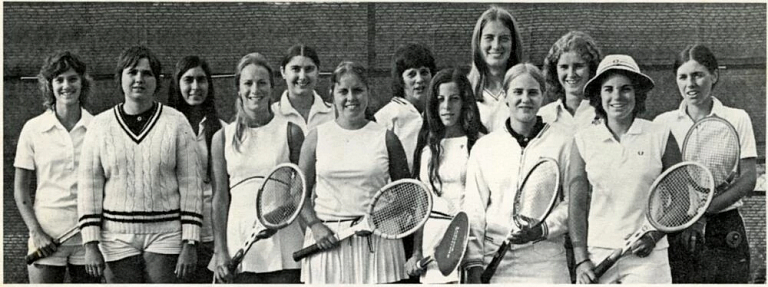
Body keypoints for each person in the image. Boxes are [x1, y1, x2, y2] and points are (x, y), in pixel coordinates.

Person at [77, 46, 202, 283]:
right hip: (115, 237)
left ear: (156, 81)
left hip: (165, 235)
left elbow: (191, 186)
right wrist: (90, 243)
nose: (139, 79)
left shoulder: (176, 123)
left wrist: (190, 241)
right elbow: (88, 188)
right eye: (132, 72)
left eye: (147, 74)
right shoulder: (100, 126)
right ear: (120, 78)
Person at [569, 55, 682, 284]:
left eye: (625, 89)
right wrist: (581, 260)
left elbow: (682, 201)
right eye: (608, 89)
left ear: (637, 93)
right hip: (598, 253)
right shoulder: (583, 140)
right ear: (599, 96)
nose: (617, 97)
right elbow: (577, 205)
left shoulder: (661, 135)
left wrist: (654, 234)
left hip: (650, 257)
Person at [297, 61, 411, 284]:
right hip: (326, 241)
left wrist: (380, 219)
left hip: (378, 242)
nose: (351, 98)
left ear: (368, 93)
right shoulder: (316, 137)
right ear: (332, 94)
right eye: (343, 91)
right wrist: (315, 226)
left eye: (358, 90)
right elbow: (299, 193)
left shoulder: (386, 138)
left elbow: (407, 195)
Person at [654, 44, 757, 283]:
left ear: (714, 75)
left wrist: (704, 213)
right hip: (677, 229)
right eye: (683, 77)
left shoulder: (737, 118)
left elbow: (748, 179)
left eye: (698, 75)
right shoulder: (662, 123)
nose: (690, 84)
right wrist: (685, 221)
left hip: (725, 228)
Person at [462, 63, 572, 283]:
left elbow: (573, 202)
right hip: (495, 261)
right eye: (518, 92)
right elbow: (474, 209)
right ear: (506, 97)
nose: (525, 99)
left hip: (547, 262)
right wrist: (474, 262)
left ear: (543, 96)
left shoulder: (564, 142)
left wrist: (542, 229)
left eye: (533, 92)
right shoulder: (485, 147)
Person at [210, 52, 305, 283]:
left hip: (284, 245)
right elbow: (220, 198)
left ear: (272, 87)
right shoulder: (222, 138)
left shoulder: (291, 132)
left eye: (262, 83)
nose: (255, 90)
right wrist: (221, 251)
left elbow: (301, 192)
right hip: (239, 245)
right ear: (239, 89)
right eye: (248, 83)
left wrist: (279, 218)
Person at [13, 51, 100, 283]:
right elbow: (20, 190)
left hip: (88, 242)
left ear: (83, 82)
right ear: (49, 85)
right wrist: (37, 233)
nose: (66, 86)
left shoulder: (98, 128)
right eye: (59, 80)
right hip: (46, 240)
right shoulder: (33, 129)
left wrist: (93, 238)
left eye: (72, 79)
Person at [404, 68, 486, 283]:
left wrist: (474, 256)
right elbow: (423, 204)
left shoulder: (481, 144)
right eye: (440, 99)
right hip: (433, 248)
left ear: (465, 102)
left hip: (469, 244)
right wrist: (416, 253)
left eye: (454, 99)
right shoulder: (427, 149)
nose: (447, 107)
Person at [167, 55, 226, 283]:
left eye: (201, 80)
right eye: (188, 80)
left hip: (212, 236)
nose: (195, 87)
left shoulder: (222, 130)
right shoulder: (165, 129)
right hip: (173, 236)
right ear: (177, 84)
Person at [375, 43, 437, 173]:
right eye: (412, 74)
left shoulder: (441, 112)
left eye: (424, 72)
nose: (419, 79)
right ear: (400, 79)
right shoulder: (387, 116)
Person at [468, 5, 524, 132]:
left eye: (504, 38)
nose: (496, 45)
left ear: (513, 44)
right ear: (478, 43)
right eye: (489, 38)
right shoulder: (465, 91)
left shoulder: (526, 91)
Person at [540, 31, 602, 130]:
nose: (571, 74)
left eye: (578, 66)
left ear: (591, 68)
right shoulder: (542, 117)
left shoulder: (605, 115)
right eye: (564, 67)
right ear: (555, 70)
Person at [273, 44, 334, 135]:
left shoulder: (333, 114)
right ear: (283, 72)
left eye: (309, 69)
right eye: (295, 69)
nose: (302, 76)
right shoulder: (272, 114)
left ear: (318, 71)